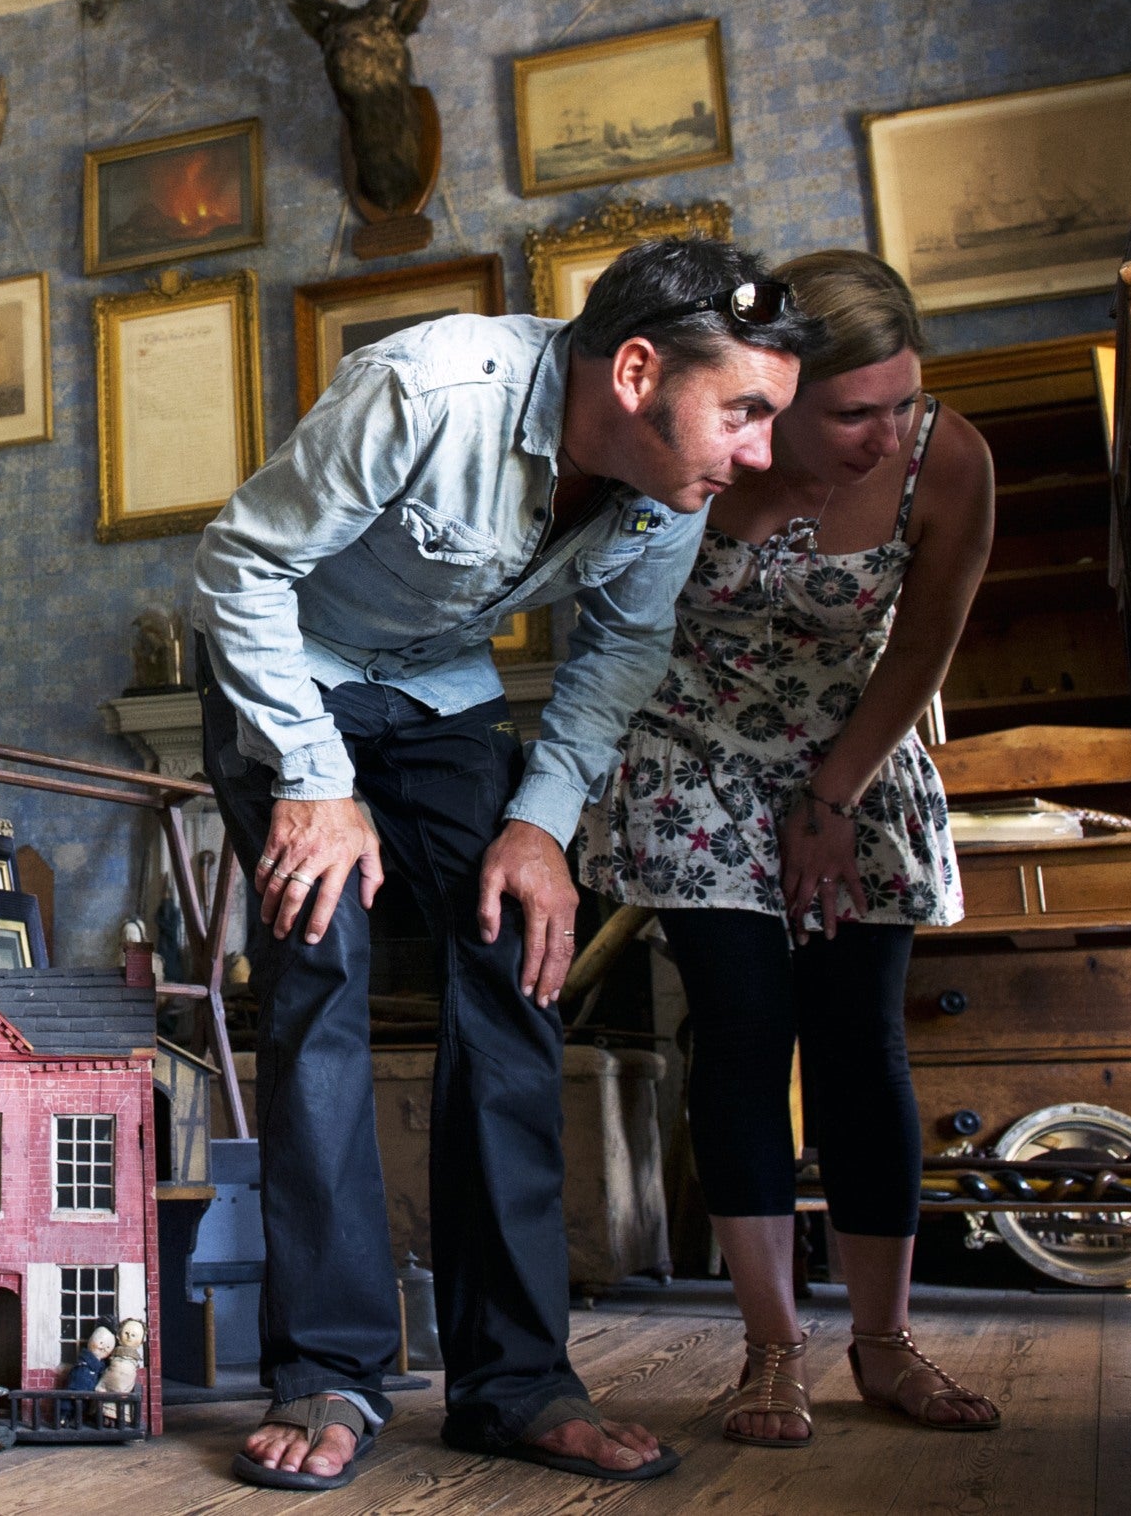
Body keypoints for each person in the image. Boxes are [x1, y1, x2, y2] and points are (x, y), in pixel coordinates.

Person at [192, 238, 815, 1491]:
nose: (759, 453)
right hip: (286, 670)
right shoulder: (429, 390)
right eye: (742, 413)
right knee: (320, 971)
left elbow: (620, 655)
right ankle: (329, 1371)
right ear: (636, 370)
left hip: (438, 694)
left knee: (518, 965)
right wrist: (314, 778)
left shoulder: (664, 493)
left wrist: (538, 823)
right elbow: (239, 566)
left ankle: (515, 1381)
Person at [576, 248, 1001, 1447]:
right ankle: (771, 1351)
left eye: (904, 401)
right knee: (744, 1030)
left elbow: (924, 647)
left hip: (856, 745)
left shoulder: (946, 460)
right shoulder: (693, 447)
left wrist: (834, 795)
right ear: (775, 390)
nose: (887, 433)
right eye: (855, 411)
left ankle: (886, 1342)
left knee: (861, 1037)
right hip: (693, 752)